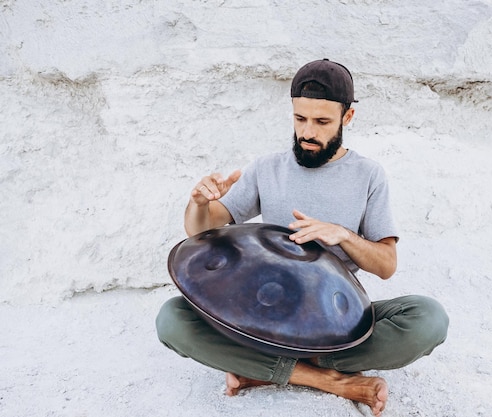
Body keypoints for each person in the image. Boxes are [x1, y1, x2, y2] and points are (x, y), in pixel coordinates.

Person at [156, 59, 449, 416]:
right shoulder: (268, 168)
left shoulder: (368, 175)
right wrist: (199, 202)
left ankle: (265, 370)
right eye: (300, 119)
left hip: (333, 324)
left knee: (428, 318)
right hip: (262, 320)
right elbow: (201, 231)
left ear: (348, 118)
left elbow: (386, 265)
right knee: (172, 319)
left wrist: (343, 236)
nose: (308, 132)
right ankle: (327, 379)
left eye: (322, 122)